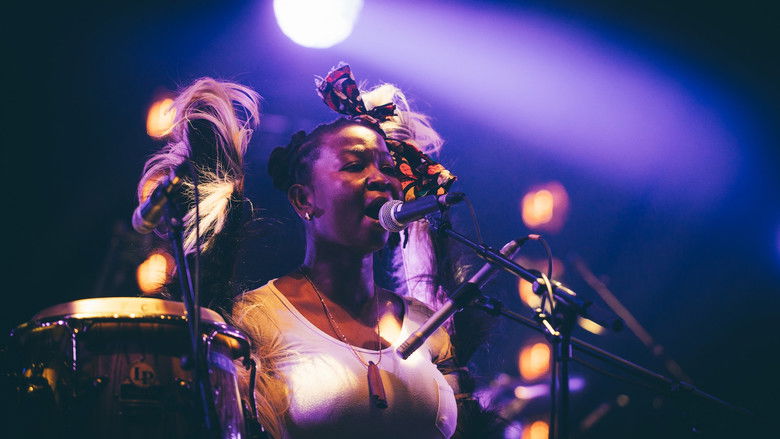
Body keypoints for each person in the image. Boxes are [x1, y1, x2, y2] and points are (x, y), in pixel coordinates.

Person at [231, 64, 465, 439]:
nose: (381, 179)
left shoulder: (427, 324)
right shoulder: (256, 319)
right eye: (355, 165)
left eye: (389, 168)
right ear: (303, 199)